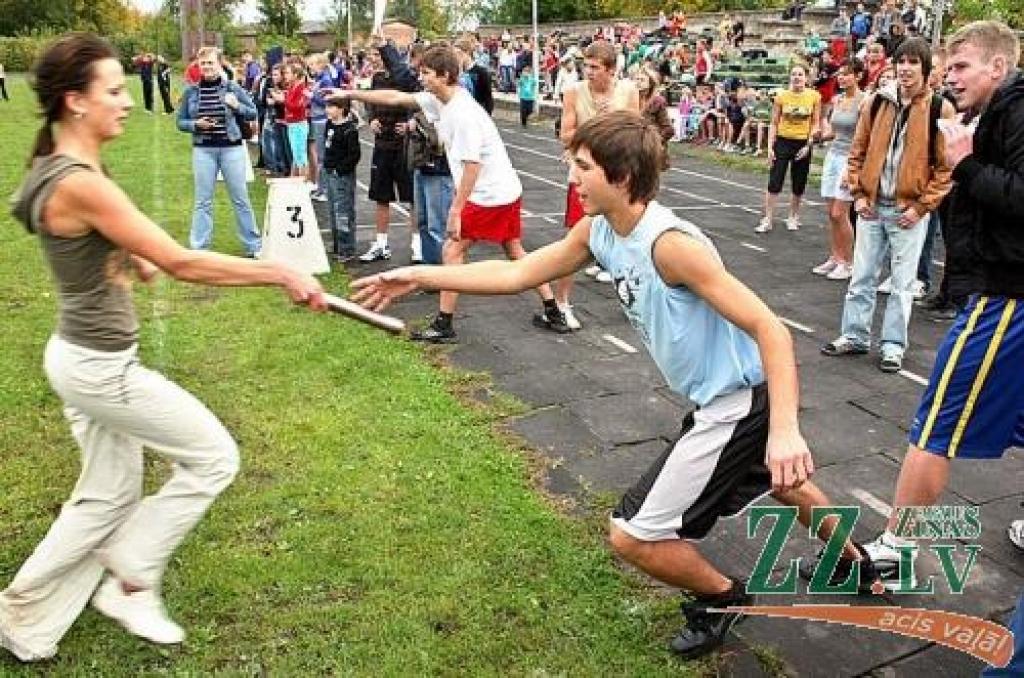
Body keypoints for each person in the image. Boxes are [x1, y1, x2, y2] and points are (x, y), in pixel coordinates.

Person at [350, 110, 878, 658]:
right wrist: (419, 273)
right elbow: (515, 274)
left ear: (621, 178)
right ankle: (855, 565)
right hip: (727, 397)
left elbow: (772, 329)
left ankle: (724, 598)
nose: (569, 173)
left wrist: (786, 430)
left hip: (737, 402)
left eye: (581, 165)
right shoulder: (598, 229)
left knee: (633, 535)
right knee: (785, 484)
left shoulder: (671, 246)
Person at [0, 33, 324, 664]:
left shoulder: (58, 166)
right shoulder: (78, 178)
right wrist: (281, 272)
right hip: (98, 367)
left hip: (79, 356)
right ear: (75, 102)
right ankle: (132, 579)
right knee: (212, 458)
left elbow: (37, 212)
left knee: (108, 496)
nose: (126, 101)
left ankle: (19, 617)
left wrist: (117, 253)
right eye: (114, 91)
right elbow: (180, 260)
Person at [817, 22, 1024, 594]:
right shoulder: (995, 112)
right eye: (947, 67)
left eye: (960, 67)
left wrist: (965, 165)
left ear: (997, 69)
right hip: (1003, 289)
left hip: (1007, 298)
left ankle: (897, 552)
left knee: (937, 420)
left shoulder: (1015, 111)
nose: (948, 77)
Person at [335, 44, 569, 341]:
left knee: (452, 250)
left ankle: (444, 324)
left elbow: (472, 165)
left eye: (427, 73)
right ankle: (552, 310)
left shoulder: (462, 113)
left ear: (446, 76)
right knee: (513, 250)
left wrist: (456, 211)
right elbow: (396, 97)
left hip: (489, 194)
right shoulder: (441, 100)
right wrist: (351, 94)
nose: (422, 79)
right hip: (504, 189)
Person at [821, 37, 954, 374]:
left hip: (908, 211)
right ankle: (854, 335)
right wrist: (860, 193)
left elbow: (946, 168)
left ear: (926, 69)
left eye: (914, 62)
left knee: (902, 284)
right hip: (872, 206)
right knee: (862, 276)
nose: (906, 68)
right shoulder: (877, 103)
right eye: (902, 62)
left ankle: (893, 346)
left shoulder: (940, 108)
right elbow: (857, 152)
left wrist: (922, 207)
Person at [558, 39, 639, 327]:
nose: (588, 72)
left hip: (617, 177)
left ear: (611, 69)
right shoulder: (573, 92)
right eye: (585, 66)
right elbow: (566, 135)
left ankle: (635, 299)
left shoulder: (628, 91)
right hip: (583, 177)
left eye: (594, 67)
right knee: (573, 241)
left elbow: (634, 131)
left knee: (630, 239)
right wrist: (600, 125)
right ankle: (561, 304)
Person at [176, 46, 262, 257]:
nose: (207, 67)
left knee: (240, 198)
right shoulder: (191, 91)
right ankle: (199, 247)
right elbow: (180, 122)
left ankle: (253, 245)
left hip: (231, 148)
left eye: (211, 63)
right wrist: (196, 124)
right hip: (204, 150)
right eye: (203, 63)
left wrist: (236, 106)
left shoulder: (232, 88)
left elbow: (253, 112)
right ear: (198, 66)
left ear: (219, 64)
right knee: (203, 200)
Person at [358, 49, 419, 264]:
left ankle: (417, 244)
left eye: (377, 54)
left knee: (412, 197)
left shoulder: (406, 77)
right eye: (371, 55)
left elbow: (418, 101)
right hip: (382, 144)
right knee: (381, 195)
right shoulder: (376, 78)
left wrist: (412, 123)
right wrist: (371, 119)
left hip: (403, 146)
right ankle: (381, 243)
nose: (373, 59)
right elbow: (371, 102)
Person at [814, 58, 865, 281]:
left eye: (847, 74)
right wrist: (820, 137)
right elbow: (836, 132)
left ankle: (848, 261)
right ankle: (835, 257)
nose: (842, 78)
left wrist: (851, 169)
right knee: (830, 214)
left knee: (840, 213)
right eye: (840, 74)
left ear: (858, 76)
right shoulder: (838, 100)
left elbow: (863, 137)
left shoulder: (864, 102)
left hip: (849, 159)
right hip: (833, 155)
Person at [755, 64, 820, 233]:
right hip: (783, 141)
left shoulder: (814, 97)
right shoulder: (781, 97)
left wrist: (809, 144)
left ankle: (793, 216)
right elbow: (774, 123)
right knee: (774, 181)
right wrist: (770, 147)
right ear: (790, 77)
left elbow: (815, 123)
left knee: (798, 183)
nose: (797, 78)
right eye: (793, 74)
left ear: (806, 78)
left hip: (802, 143)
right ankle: (768, 218)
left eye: (800, 74)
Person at [322, 96, 360, 261]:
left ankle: (347, 248)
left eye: (331, 107)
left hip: (342, 176)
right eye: (327, 107)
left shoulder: (349, 130)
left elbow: (354, 155)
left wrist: (340, 169)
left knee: (343, 212)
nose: (327, 110)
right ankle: (337, 244)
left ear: (341, 108)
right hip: (329, 172)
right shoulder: (329, 125)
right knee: (332, 209)